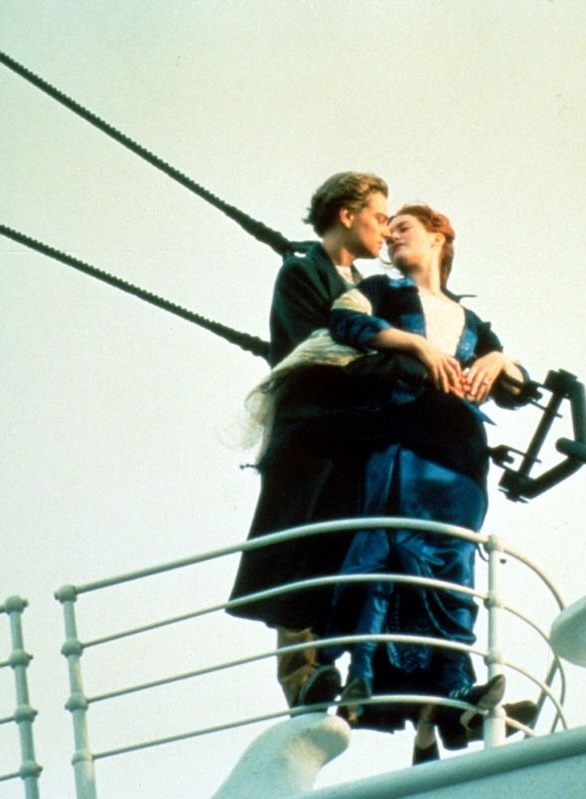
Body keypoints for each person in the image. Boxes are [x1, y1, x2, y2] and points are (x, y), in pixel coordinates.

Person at [315, 203, 531, 760]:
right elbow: (346, 322)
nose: (391, 238)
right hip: (402, 434)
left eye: (403, 228)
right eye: (387, 233)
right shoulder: (381, 290)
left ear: (438, 236)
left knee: (452, 565)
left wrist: (500, 361)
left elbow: (519, 389)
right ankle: (363, 674)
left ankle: (454, 686)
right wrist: (415, 345)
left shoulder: (470, 319)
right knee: (389, 549)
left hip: (459, 453)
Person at [227, 172, 392, 709]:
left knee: (342, 551)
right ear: (347, 214)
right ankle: (302, 676)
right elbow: (317, 349)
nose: (386, 229)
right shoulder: (303, 272)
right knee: (298, 549)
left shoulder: (368, 288)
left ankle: (342, 671)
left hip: (351, 438)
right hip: (311, 433)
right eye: (379, 216)